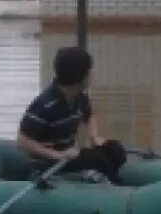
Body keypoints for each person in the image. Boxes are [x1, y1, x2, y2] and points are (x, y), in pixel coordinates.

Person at [17, 46, 127, 184]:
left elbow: (89, 114)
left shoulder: (79, 97)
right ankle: (116, 189)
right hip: (49, 164)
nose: (92, 75)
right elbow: (22, 141)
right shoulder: (45, 105)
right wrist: (58, 155)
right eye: (89, 72)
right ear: (79, 76)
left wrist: (94, 136)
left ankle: (108, 179)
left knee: (115, 150)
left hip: (69, 155)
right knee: (96, 159)